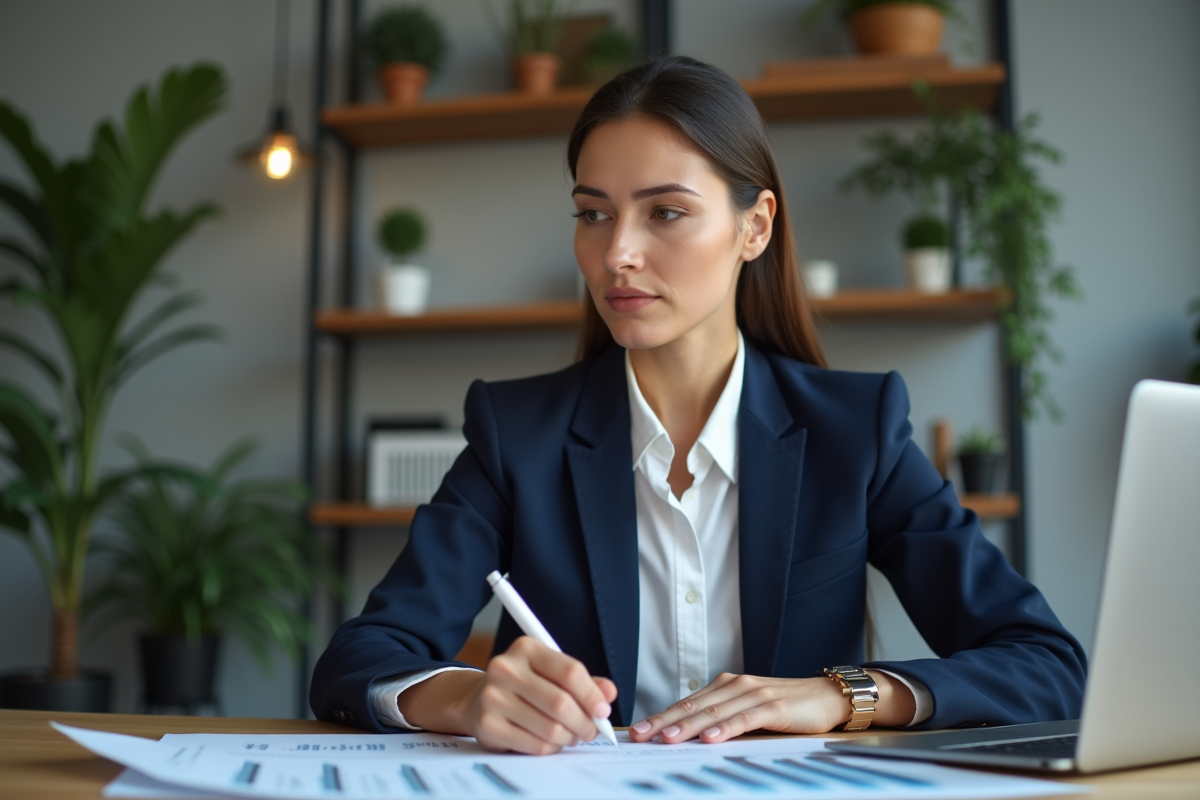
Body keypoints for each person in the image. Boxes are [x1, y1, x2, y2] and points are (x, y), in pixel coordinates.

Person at [310, 56, 1086, 754]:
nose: (617, 252)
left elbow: (1047, 663)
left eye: (666, 212)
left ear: (755, 227)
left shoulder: (857, 430)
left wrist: (842, 695)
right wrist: (470, 696)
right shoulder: (519, 435)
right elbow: (363, 658)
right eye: (593, 212)